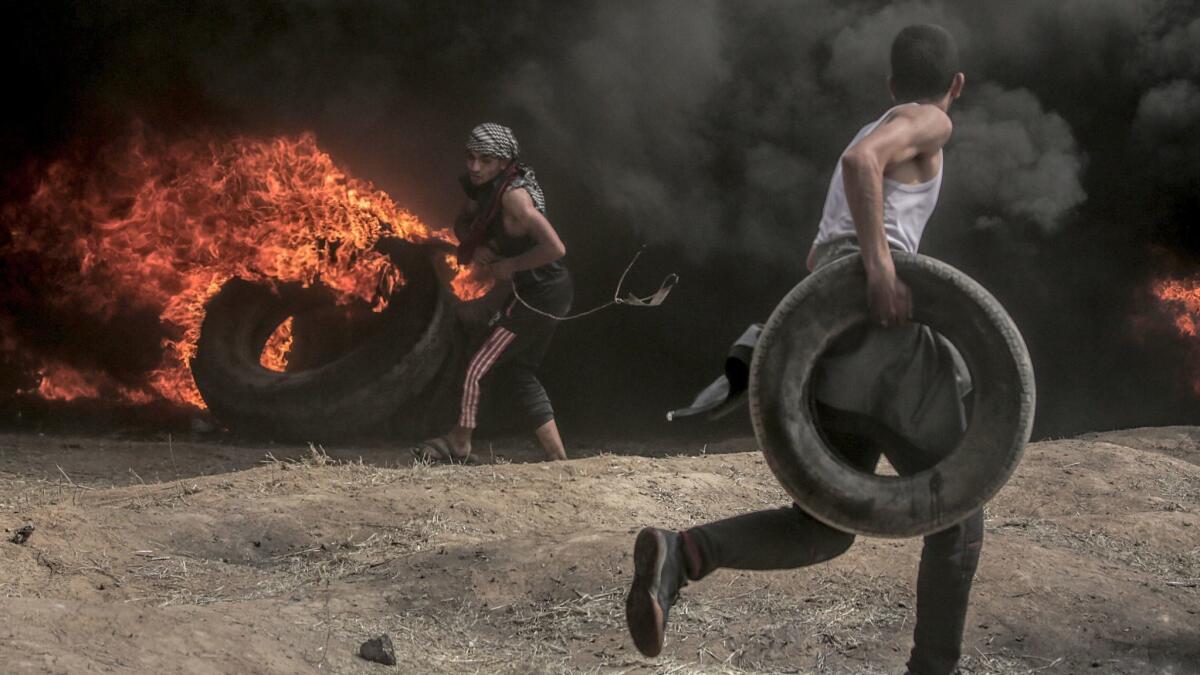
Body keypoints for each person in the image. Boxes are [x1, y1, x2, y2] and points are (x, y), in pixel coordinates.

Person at [625, 25, 979, 675]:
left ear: (891, 82)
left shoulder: (882, 118)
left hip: (829, 339)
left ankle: (683, 554)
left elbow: (820, 250)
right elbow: (862, 163)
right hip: (877, 330)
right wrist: (879, 265)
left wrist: (849, 272)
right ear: (954, 86)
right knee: (957, 508)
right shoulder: (930, 120)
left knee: (823, 524)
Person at [413, 123, 572, 463]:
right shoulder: (484, 189)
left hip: (543, 292)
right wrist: (483, 246)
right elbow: (462, 224)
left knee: (477, 366)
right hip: (536, 291)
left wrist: (510, 264)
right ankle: (559, 460)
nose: (474, 167)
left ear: (503, 162)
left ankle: (460, 441)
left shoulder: (514, 196)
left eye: (485, 160)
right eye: (470, 157)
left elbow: (556, 248)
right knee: (518, 371)